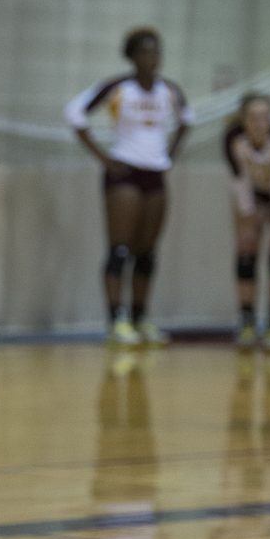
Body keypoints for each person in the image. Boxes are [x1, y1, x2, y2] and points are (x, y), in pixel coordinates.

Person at [65, 26, 193, 346]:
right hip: (124, 173)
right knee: (120, 250)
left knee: (146, 252)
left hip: (155, 174)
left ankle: (140, 318)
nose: (152, 57)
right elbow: (75, 114)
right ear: (132, 56)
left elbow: (188, 120)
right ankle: (116, 321)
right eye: (145, 51)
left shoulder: (169, 91)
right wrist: (105, 159)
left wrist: (170, 154)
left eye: (157, 51)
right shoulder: (117, 87)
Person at [222, 93, 270, 349]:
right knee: (246, 251)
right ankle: (246, 321)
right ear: (244, 120)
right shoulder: (232, 139)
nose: (259, 123)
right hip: (250, 194)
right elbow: (240, 180)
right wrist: (248, 217)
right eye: (253, 117)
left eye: (265, 117)